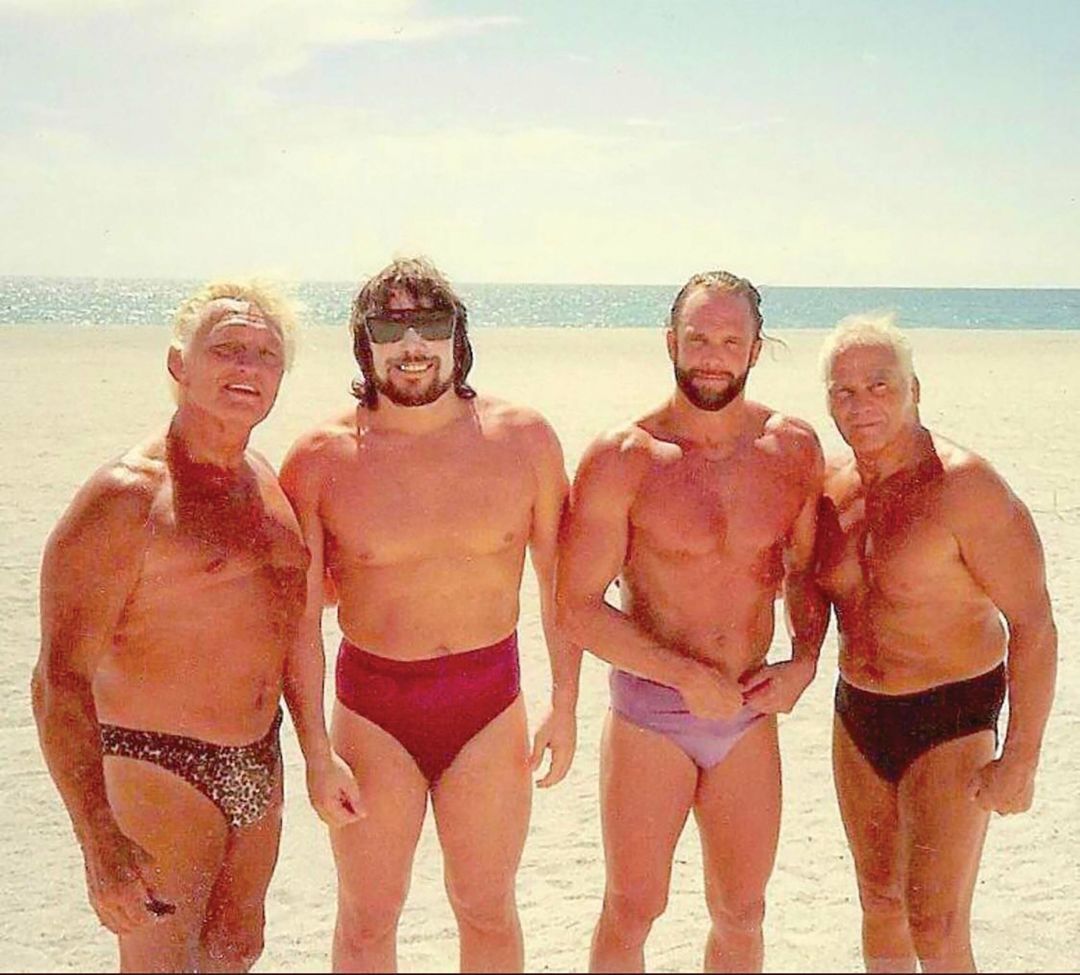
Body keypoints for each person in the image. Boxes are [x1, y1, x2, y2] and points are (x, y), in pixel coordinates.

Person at [32, 280, 359, 973]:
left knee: (236, 951)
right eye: (228, 349)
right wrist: (97, 839)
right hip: (157, 761)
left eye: (266, 355)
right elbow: (59, 678)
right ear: (179, 365)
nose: (247, 367)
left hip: (256, 760)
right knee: (160, 962)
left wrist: (317, 751)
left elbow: (295, 630)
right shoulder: (127, 497)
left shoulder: (268, 483)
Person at [279, 256, 580, 973]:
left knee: (486, 906)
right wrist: (317, 750)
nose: (412, 344)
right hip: (375, 709)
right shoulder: (320, 458)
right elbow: (299, 622)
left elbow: (559, 585)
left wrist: (564, 703)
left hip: (488, 704)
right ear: (366, 343)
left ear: (457, 336)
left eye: (430, 324)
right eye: (391, 326)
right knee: (367, 918)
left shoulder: (525, 439)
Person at [555, 269, 827, 973]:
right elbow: (575, 606)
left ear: (756, 349)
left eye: (730, 340)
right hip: (653, 712)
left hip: (748, 713)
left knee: (744, 910)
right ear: (670, 340)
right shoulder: (624, 457)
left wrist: (804, 657)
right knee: (633, 906)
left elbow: (805, 572)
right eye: (699, 337)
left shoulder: (792, 448)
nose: (712, 354)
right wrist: (681, 674)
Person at [815, 313, 1057, 973]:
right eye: (844, 390)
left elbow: (1033, 620)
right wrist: (798, 658)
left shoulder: (966, 487)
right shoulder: (832, 489)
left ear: (914, 386)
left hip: (949, 714)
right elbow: (810, 585)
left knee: (937, 920)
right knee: (878, 902)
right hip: (858, 709)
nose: (861, 402)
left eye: (878, 384)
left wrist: (1022, 757)